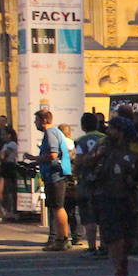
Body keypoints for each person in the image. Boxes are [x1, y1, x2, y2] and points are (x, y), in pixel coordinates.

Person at [87, 116, 138, 276]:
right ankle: (119, 269)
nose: (108, 131)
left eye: (112, 128)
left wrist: (135, 183)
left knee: (128, 238)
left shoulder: (136, 149)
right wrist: (96, 158)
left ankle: (124, 263)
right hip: (107, 196)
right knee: (114, 237)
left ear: (121, 132)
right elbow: (84, 163)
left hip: (128, 198)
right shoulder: (102, 146)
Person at [34, 109, 73, 251]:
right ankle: (62, 238)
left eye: (36, 120)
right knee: (57, 207)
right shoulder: (54, 133)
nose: (34, 123)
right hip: (55, 175)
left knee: (58, 208)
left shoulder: (51, 133)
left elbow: (53, 155)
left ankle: (61, 239)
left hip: (55, 176)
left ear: (44, 120)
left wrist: (34, 158)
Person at [73, 113, 106, 258]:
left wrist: (76, 173)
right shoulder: (104, 138)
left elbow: (79, 160)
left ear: (83, 126)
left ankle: (92, 247)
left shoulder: (81, 140)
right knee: (104, 214)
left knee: (88, 215)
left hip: (87, 180)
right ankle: (104, 246)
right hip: (104, 179)